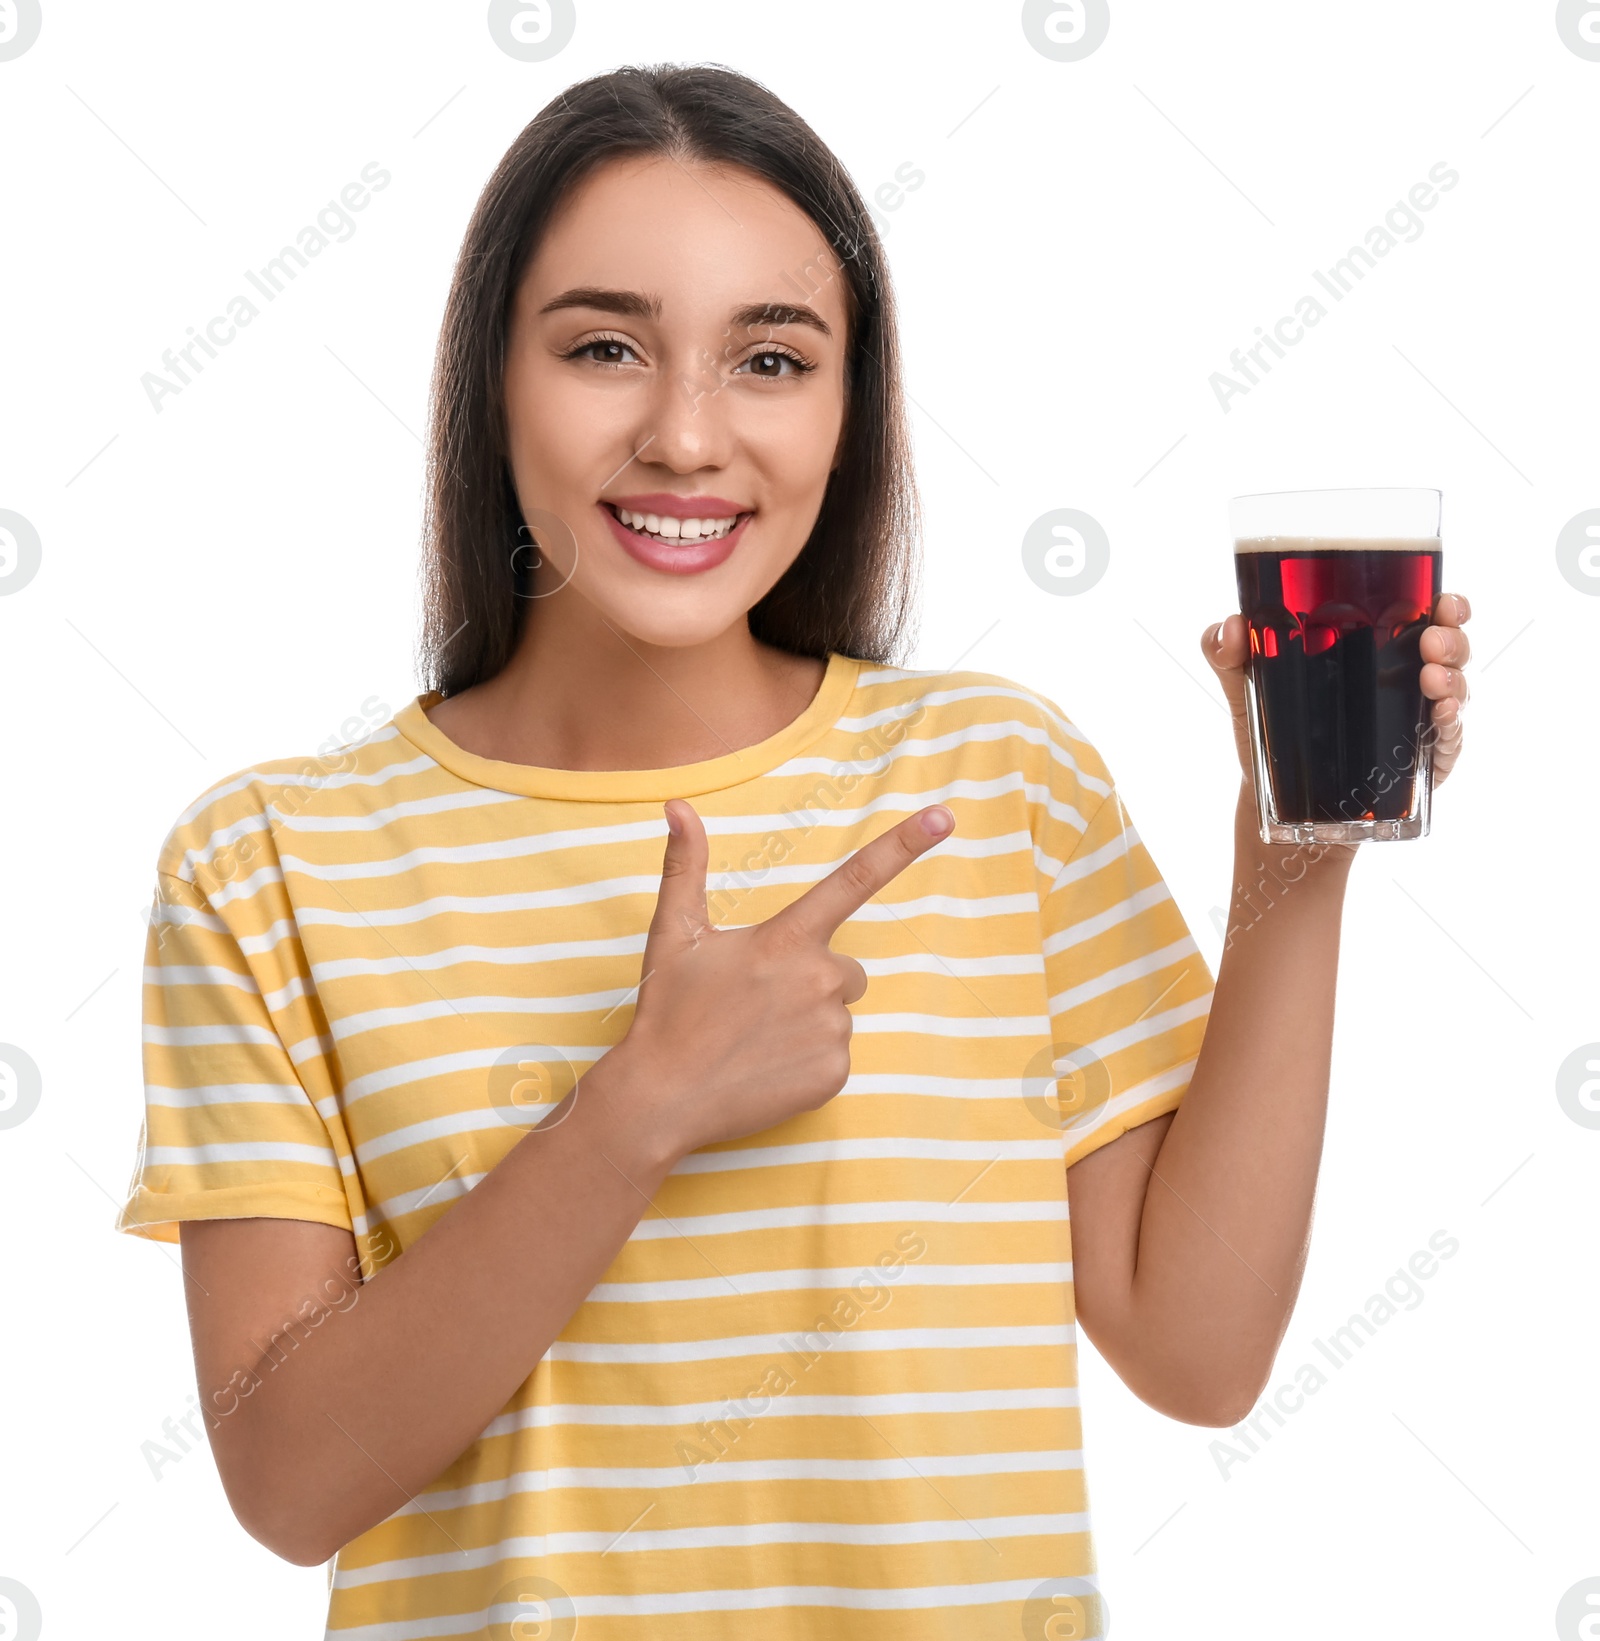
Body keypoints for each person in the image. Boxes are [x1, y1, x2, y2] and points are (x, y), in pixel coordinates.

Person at [115, 63, 1472, 1639]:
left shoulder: (994, 779)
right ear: (494, 383)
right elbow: (289, 1480)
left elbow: (1200, 1348)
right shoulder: (266, 861)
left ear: (848, 411)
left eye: (771, 358)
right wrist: (639, 1108)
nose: (687, 435)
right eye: (605, 346)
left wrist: (1292, 845)